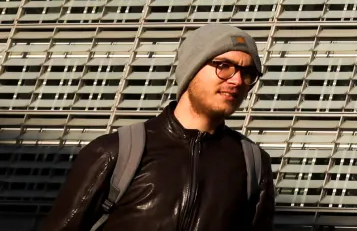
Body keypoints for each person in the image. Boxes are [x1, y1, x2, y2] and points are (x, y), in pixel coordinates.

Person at [37, 25, 274, 231]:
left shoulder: (251, 163)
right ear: (192, 69)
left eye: (248, 73)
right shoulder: (117, 152)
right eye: (224, 66)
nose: (236, 80)